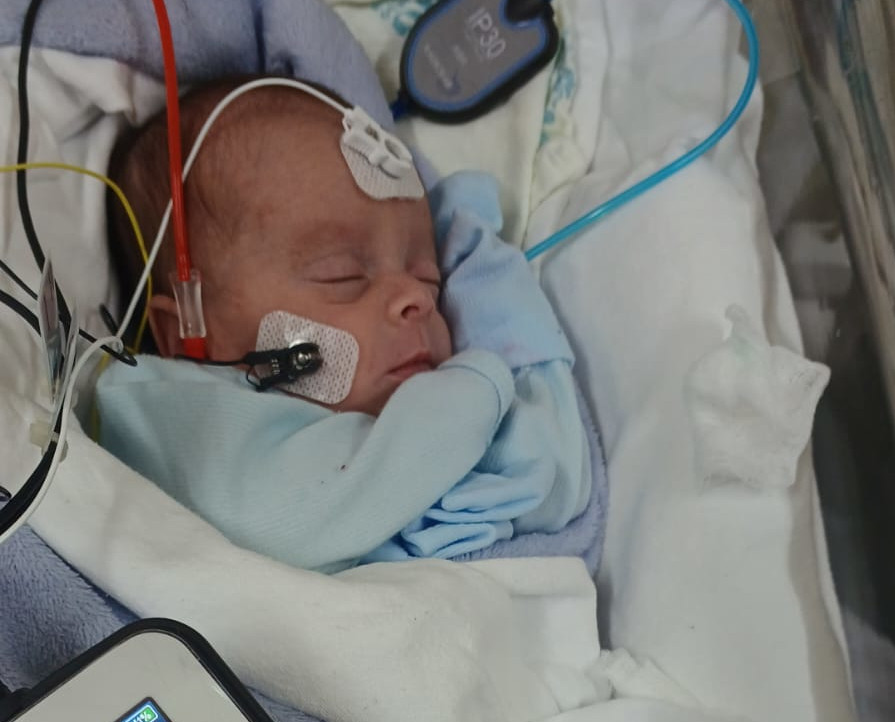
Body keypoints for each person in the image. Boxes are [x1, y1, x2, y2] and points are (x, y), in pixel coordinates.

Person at [98, 76, 594, 573]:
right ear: (189, 332)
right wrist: (477, 388)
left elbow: (552, 477)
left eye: (429, 276)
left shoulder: (410, 435)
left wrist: (496, 297)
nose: (416, 298)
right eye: (343, 275)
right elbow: (292, 513)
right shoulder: (180, 421)